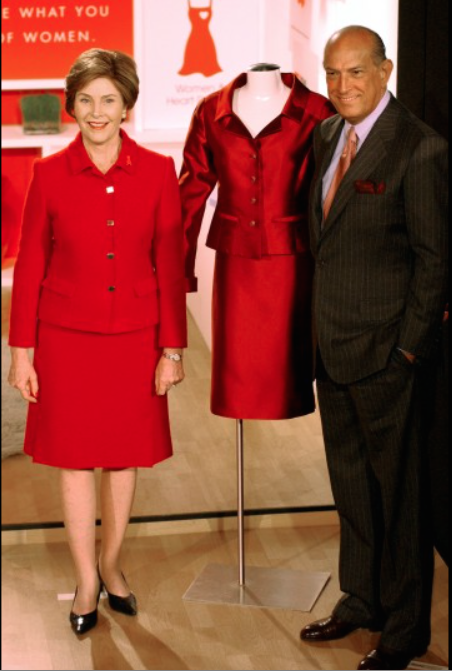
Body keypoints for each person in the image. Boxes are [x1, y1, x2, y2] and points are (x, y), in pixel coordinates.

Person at [7, 48, 187, 635]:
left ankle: (113, 565)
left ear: (127, 104)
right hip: (64, 341)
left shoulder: (160, 172)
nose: (96, 111)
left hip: (135, 338)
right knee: (74, 461)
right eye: (85, 100)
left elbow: (169, 260)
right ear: (72, 106)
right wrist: (21, 352)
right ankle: (87, 579)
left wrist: (172, 348)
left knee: (124, 459)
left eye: (108, 99)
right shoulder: (49, 174)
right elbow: (30, 264)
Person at [300, 26, 448, 671]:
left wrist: (408, 352)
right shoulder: (327, 135)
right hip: (332, 351)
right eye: (332, 74)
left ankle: (406, 630)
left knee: (403, 499)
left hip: (390, 358)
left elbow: (436, 261)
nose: (342, 87)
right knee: (353, 487)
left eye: (355, 73)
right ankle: (363, 599)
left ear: (385, 72)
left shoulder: (420, 148)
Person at [180, 65, 334, 420]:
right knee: (236, 365)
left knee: (286, 366)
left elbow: (334, 193)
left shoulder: (317, 111)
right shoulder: (210, 111)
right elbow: (189, 193)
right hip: (235, 263)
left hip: (293, 261)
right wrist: (180, 272)